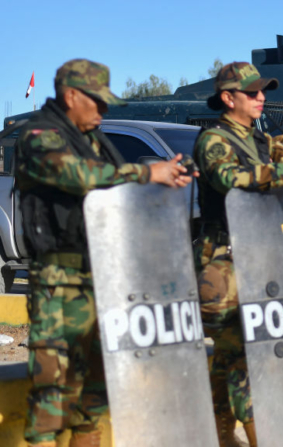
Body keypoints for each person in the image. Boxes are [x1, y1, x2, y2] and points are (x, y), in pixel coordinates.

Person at [16, 59, 195, 447]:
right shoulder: (38, 135)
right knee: (53, 401)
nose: (104, 110)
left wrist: (167, 179)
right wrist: (146, 174)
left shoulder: (95, 140)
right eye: (97, 101)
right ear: (71, 95)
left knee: (95, 400)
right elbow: (76, 175)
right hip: (59, 285)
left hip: (105, 279)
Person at [193, 62, 283, 447]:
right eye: (252, 92)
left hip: (261, 256)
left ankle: (221, 434)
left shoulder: (261, 140)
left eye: (262, 91)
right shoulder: (214, 139)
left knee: (236, 355)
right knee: (243, 354)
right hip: (224, 261)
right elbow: (229, 179)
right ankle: (253, 435)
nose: (261, 97)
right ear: (228, 98)